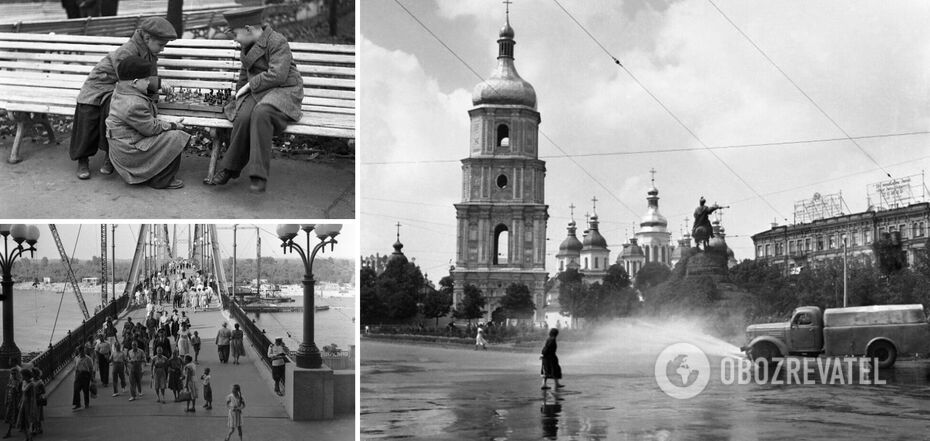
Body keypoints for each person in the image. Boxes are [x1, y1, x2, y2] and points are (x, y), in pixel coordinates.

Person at [208, 7, 304, 193]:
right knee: (243, 117)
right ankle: (231, 167)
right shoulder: (247, 44)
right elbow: (245, 74)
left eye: (235, 34)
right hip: (260, 90)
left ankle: (258, 174)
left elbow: (278, 75)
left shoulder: (277, 41)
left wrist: (250, 86)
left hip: (284, 90)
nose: (235, 39)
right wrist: (238, 96)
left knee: (261, 113)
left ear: (248, 29)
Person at [71, 17, 176, 180]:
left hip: (120, 88)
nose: (162, 49)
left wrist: (159, 85)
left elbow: (147, 77)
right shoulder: (127, 51)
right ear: (147, 38)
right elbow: (129, 79)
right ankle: (82, 159)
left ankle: (111, 155)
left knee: (116, 112)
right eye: (161, 45)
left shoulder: (150, 51)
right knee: (89, 113)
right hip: (99, 87)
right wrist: (157, 84)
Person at [105, 55, 190, 189]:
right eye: (146, 79)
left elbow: (141, 88)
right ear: (134, 82)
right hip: (129, 152)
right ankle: (161, 180)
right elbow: (151, 128)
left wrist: (159, 84)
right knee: (176, 136)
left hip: (123, 144)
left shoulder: (121, 89)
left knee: (168, 133)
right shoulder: (133, 104)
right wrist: (173, 125)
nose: (149, 82)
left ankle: (155, 173)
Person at [16, 369, 38, 441]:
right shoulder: (24, 382)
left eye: (22, 375)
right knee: (23, 421)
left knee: (28, 421)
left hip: (29, 404)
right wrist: (20, 402)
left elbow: (32, 397)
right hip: (24, 403)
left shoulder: (31, 385)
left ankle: (29, 437)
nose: (21, 376)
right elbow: (23, 394)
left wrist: (32, 408)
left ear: (26, 375)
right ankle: (27, 437)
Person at [3, 366, 21, 438]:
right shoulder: (11, 380)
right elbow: (7, 391)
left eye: (14, 373)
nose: (13, 375)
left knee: (16, 416)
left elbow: (20, 392)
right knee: (12, 417)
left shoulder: (19, 382)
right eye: (12, 373)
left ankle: (9, 432)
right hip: (11, 401)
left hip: (16, 401)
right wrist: (6, 400)